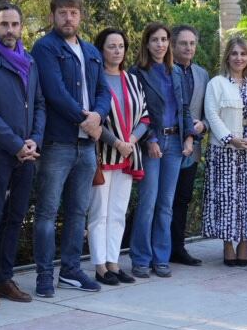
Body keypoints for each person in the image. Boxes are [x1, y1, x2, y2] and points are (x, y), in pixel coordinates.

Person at [30, 0, 110, 296]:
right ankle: (44, 275)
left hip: (86, 146)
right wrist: (85, 119)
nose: (68, 17)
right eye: (62, 12)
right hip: (58, 144)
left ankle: (72, 270)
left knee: (78, 211)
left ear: (80, 16)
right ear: (53, 16)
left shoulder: (91, 51)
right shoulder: (45, 48)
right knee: (47, 211)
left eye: (73, 12)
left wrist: (98, 116)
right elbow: (55, 92)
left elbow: (103, 91)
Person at [0, 3, 44, 305]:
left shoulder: (29, 61)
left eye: (15, 24)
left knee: (16, 217)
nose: (10, 30)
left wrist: (34, 141)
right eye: (4, 24)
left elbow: (40, 104)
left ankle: (4, 279)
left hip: (27, 153)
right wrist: (16, 144)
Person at [130, 23, 194, 278]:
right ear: (146, 43)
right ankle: (141, 258)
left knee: (166, 204)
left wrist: (190, 136)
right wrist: (150, 139)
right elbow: (138, 111)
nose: (160, 44)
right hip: (153, 144)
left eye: (164, 39)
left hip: (176, 144)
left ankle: (161, 257)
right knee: (147, 202)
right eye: (155, 40)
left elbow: (185, 108)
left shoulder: (176, 72)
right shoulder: (138, 73)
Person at [89, 28, 147, 284]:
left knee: (118, 212)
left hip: (128, 155)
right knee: (99, 213)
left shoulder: (132, 79)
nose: (116, 50)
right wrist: (117, 142)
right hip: (103, 155)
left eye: (121, 46)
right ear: (101, 49)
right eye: (111, 46)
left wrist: (131, 142)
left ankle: (114, 262)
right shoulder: (94, 80)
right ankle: (100, 266)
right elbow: (90, 120)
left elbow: (145, 117)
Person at [204, 35, 247, 266]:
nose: (238, 58)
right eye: (234, 54)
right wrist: (231, 139)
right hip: (224, 153)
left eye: (243, 54)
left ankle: (244, 245)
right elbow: (212, 115)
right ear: (227, 57)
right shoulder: (216, 83)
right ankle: (228, 246)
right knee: (227, 200)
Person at [170, 25, 209, 266]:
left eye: (192, 43)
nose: (188, 47)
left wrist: (203, 126)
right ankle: (158, 248)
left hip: (192, 148)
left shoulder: (202, 74)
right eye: (183, 43)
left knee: (183, 199)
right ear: (173, 45)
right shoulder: (163, 71)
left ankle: (178, 248)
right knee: (162, 200)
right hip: (166, 145)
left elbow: (207, 111)